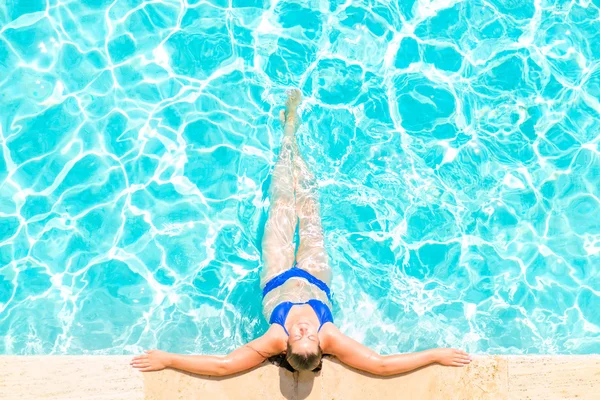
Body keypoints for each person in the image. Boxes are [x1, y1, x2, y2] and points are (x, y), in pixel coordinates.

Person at [130, 90, 472, 376]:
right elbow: (380, 366)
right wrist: (435, 355)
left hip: (277, 277)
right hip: (315, 276)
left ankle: (287, 139)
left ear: (287, 345)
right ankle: (295, 137)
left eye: (300, 336)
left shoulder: (275, 337)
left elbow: (224, 366)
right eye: (309, 337)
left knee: (281, 201)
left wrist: (168, 360)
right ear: (321, 348)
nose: (305, 330)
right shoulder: (330, 336)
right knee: (309, 204)